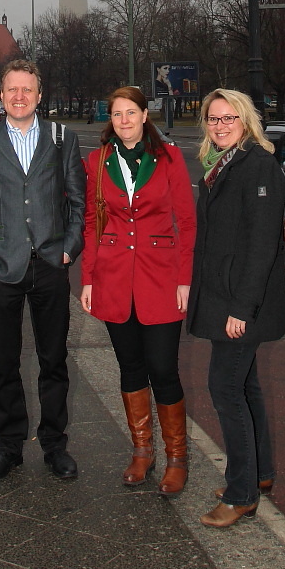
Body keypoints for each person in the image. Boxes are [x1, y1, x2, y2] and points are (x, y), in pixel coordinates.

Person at [0, 59, 85, 482]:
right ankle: (8, 447)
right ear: (1, 95)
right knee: (4, 363)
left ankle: (54, 445)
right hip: (1, 268)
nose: (19, 96)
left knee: (54, 361)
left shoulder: (62, 138)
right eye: (12, 89)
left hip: (49, 266)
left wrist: (68, 251)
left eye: (27, 89)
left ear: (39, 95)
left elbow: (79, 204)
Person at [81, 87, 196, 496]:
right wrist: (88, 278)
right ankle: (142, 451)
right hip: (114, 278)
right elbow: (92, 222)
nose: (124, 120)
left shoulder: (169, 158)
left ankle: (177, 457)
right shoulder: (98, 162)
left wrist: (185, 279)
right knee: (130, 368)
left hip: (161, 277)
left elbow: (187, 221)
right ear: (110, 120)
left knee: (163, 369)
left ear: (146, 116)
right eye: (117, 114)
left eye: (131, 112)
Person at [187, 88, 285, 528]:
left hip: (241, 303)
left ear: (246, 121)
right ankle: (259, 473)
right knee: (245, 386)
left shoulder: (258, 165)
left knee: (225, 388)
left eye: (229, 118)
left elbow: (261, 245)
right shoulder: (221, 164)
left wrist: (242, 309)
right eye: (214, 119)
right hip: (225, 295)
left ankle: (241, 493)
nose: (221, 125)